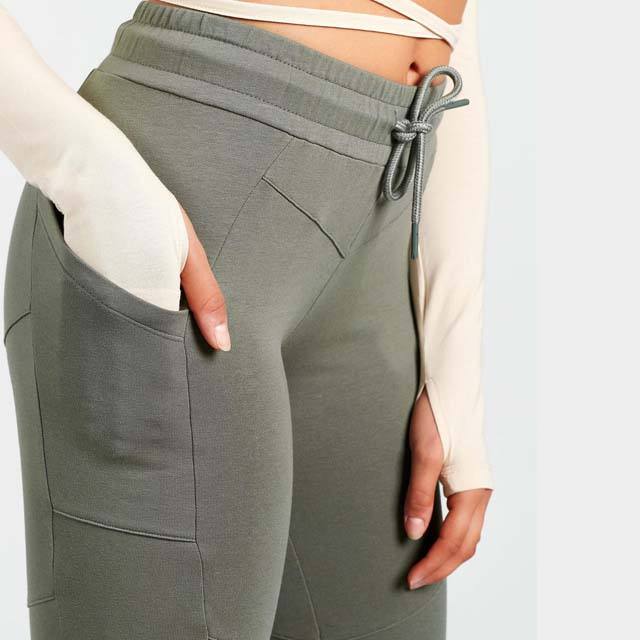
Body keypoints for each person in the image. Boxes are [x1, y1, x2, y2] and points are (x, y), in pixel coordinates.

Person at [1, 1, 493, 638]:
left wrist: (455, 367)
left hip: (387, 222)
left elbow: (452, 31)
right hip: (188, 207)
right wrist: (86, 170)